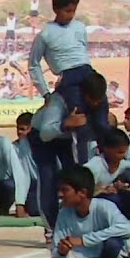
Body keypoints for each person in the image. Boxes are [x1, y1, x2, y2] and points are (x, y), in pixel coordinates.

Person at [28, 165, 130, 258]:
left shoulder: (104, 207)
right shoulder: (64, 213)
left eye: (65, 190)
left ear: (82, 193)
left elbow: (126, 229)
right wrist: (62, 251)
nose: (60, 194)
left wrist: (84, 240)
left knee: (112, 245)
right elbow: (56, 252)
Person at [27, 0, 109, 144]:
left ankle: (104, 156)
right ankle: (82, 164)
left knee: (102, 120)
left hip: (88, 73)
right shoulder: (45, 34)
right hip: (69, 77)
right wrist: (45, 93)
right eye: (67, 11)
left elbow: (83, 51)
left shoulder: (79, 27)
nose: (71, 15)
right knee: (79, 122)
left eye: (73, 11)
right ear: (56, 9)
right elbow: (33, 65)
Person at [27, 70, 104, 233]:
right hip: (42, 137)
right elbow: (45, 133)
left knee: (75, 179)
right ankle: (50, 227)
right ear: (85, 95)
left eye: (99, 101)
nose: (95, 105)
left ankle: (74, 223)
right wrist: (65, 124)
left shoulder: (97, 103)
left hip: (65, 138)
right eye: (92, 100)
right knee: (48, 177)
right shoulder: (58, 101)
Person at [85, 129, 130, 219]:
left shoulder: (122, 164)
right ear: (107, 149)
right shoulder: (94, 167)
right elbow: (81, 191)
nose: (123, 156)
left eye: (125, 152)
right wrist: (102, 190)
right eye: (120, 152)